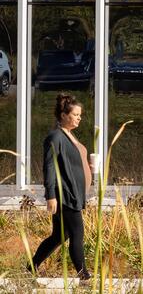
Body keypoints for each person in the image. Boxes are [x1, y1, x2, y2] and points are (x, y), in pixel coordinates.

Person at [33, 94, 92, 281]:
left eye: (80, 114)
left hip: (74, 194)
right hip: (65, 195)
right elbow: (49, 167)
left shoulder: (69, 135)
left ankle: (31, 267)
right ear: (64, 115)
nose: (79, 117)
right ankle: (84, 277)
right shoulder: (55, 136)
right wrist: (50, 195)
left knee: (59, 235)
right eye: (75, 114)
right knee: (77, 233)